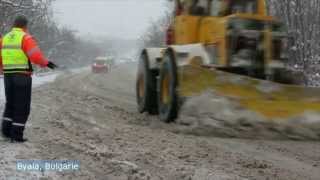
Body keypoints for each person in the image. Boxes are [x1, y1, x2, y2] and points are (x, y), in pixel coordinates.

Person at [0, 15, 57, 143]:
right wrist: (49, 64)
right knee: (22, 106)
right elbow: (36, 57)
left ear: (14, 24)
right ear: (25, 26)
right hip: (22, 76)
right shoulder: (25, 38)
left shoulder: (4, 38)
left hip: (8, 76)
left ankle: (6, 131)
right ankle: (16, 136)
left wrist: (3, 69)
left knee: (10, 104)